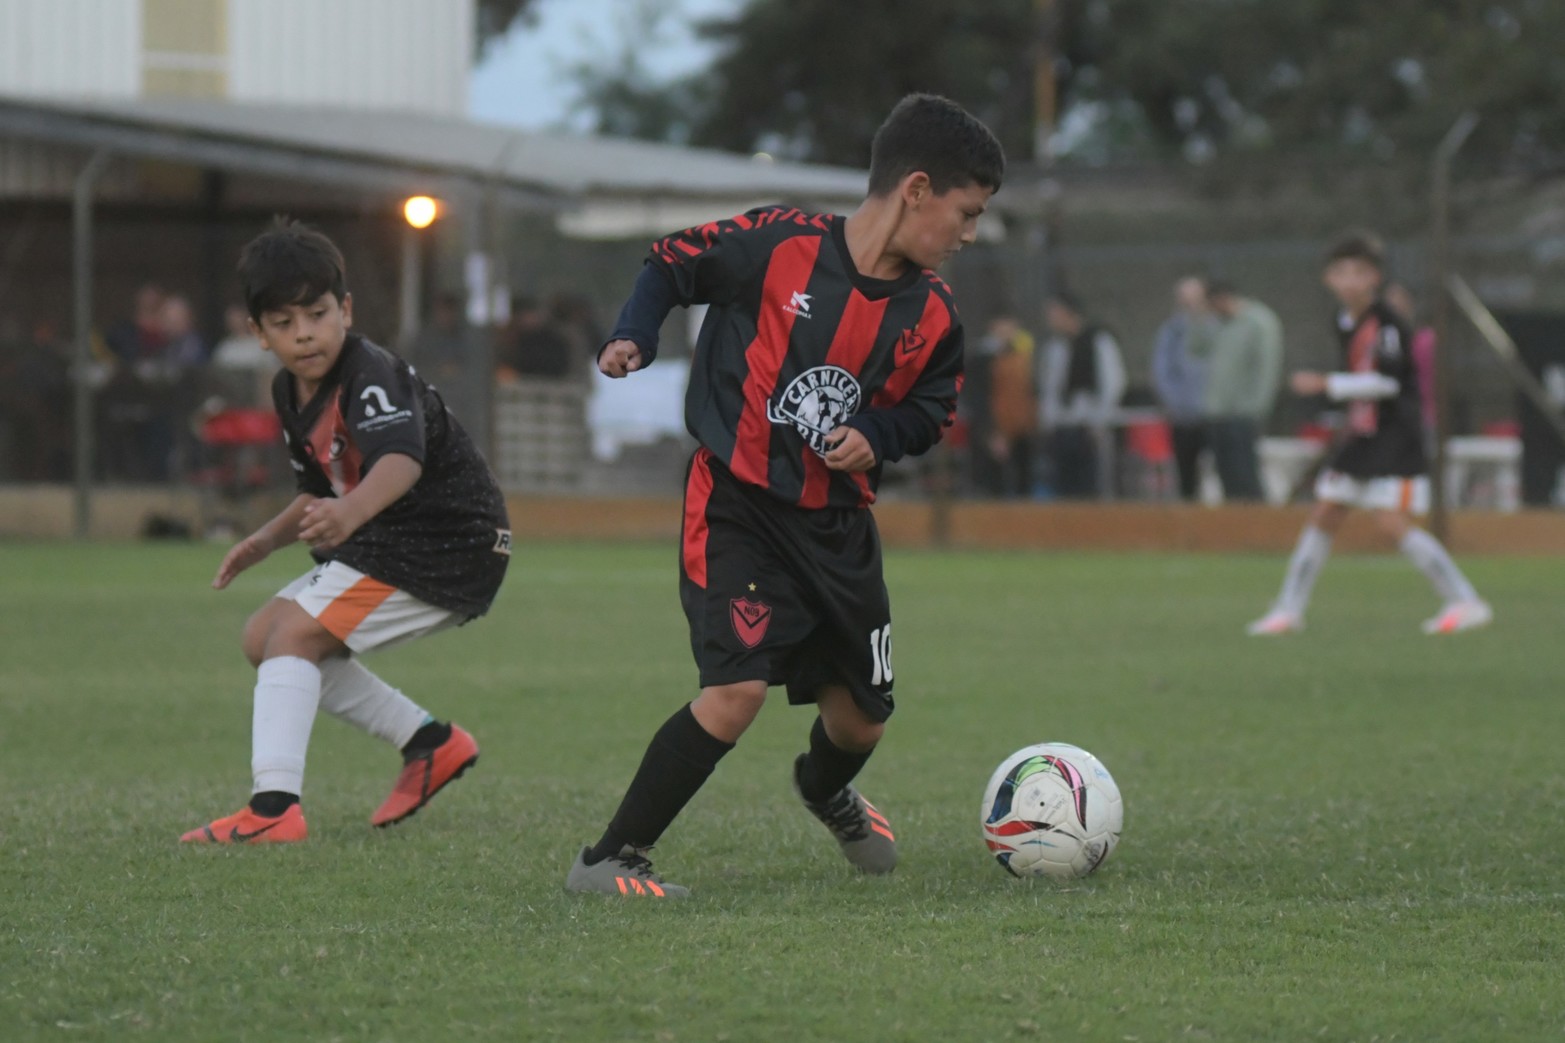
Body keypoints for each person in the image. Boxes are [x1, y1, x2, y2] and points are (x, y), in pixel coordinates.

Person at [567, 93, 1004, 897]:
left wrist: (879, 432)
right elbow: (670, 260)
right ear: (914, 189)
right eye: (965, 212)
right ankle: (608, 859)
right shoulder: (778, 243)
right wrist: (635, 331)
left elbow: (931, 408)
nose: (969, 234)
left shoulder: (933, 314)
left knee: (860, 719)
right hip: (737, 505)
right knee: (734, 693)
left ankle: (822, 786)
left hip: (838, 529)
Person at [181, 218, 512, 844]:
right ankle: (430, 743)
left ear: (346, 309)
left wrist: (352, 512)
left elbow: (400, 460)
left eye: (317, 313)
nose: (304, 333)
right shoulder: (291, 389)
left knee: (295, 637)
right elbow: (318, 488)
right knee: (264, 637)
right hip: (390, 540)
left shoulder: (370, 373)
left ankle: (274, 808)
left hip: (446, 545)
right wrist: (265, 540)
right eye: (283, 322)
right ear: (257, 333)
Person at [1247, 231, 1492, 636]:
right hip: (1363, 434)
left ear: (1374, 278)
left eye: (1359, 272)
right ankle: (1288, 610)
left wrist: (1328, 385)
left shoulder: (1388, 322)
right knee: (1325, 511)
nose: (1349, 281)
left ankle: (1465, 601)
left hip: (1396, 435)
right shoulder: (1344, 320)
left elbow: (1389, 384)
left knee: (1390, 523)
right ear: (1328, 278)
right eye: (1341, 272)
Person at [1190, 279, 1283, 502]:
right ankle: (1233, 518)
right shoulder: (1219, 324)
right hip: (1218, 409)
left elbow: (1267, 367)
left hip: (1245, 410)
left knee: (1244, 470)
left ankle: (1254, 518)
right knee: (1225, 472)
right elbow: (1196, 349)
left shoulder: (1258, 322)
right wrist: (1198, 319)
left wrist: (1256, 406)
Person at [1038, 290, 1126, 499]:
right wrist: (1048, 420)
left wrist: (1100, 420)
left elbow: (1113, 382)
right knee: (1063, 486)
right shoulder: (1055, 347)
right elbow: (1049, 387)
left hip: (1089, 426)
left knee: (1090, 486)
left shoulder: (1098, 342)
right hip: (1062, 426)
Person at [1150, 276, 1212, 501]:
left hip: (1215, 414)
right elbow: (1162, 371)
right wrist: (1176, 403)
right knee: (1186, 472)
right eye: (1185, 301)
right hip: (1183, 416)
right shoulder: (1171, 332)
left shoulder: (1216, 328)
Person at [965, 312, 1037, 498]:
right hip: (992, 432)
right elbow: (978, 399)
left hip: (1020, 430)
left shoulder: (1020, 356)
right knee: (991, 489)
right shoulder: (981, 358)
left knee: (1023, 486)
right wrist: (991, 433)